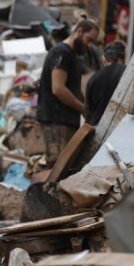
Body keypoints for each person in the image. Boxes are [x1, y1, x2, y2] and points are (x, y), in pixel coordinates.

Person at [37, 19, 100, 162]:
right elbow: (58, 89)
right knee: (57, 168)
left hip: (63, 121)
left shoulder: (70, 55)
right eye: (88, 40)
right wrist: (83, 108)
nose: (89, 46)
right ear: (79, 32)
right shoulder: (62, 53)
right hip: (56, 121)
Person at [84, 41, 126, 126]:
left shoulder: (93, 78)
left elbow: (88, 110)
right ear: (123, 58)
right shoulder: (128, 73)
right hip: (121, 128)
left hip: (97, 127)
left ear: (105, 59)